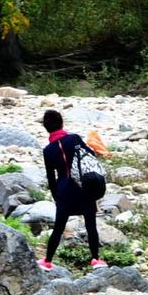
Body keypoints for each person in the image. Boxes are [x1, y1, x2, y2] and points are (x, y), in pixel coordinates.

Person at [39, 109, 101, 271]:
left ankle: (47, 261)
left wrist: (56, 197)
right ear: (62, 123)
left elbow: (51, 178)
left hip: (64, 191)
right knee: (90, 225)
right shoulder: (74, 139)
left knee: (58, 228)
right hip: (83, 188)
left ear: (46, 128)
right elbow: (89, 155)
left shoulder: (48, 150)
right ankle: (95, 259)